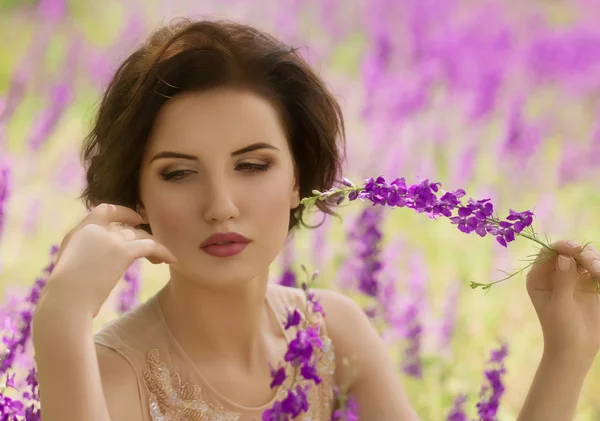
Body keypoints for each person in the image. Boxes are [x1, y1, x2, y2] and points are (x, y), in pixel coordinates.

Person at [32, 18, 600, 421]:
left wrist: (567, 351)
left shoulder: (333, 332)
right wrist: (59, 321)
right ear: (138, 197)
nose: (221, 204)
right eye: (179, 173)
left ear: (299, 179)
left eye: (252, 165)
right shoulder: (114, 373)